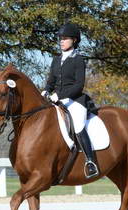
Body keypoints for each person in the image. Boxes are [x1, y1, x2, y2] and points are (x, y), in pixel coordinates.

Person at [41, 23, 99, 179]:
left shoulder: (78, 59)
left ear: (74, 40)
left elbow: (79, 85)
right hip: (57, 100)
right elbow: (51, 80)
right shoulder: (56, 59)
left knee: (79, 125)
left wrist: (59, 95)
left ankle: (90, 161)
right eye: (60, 38)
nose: (61, 41)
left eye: (65, 38)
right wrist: (46, 90)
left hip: (75, 100)